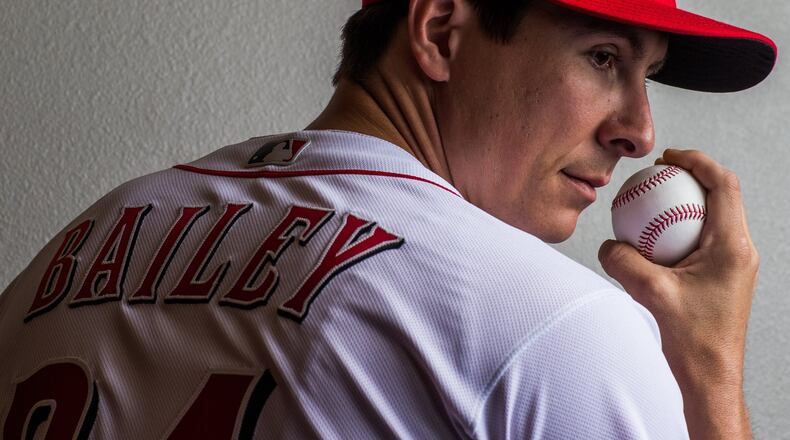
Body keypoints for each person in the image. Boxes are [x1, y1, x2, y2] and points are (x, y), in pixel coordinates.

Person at [0, 0, 776, 438]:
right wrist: (708, 370)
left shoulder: (76, 248)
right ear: (440, 31)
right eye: (605, 57)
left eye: (648, 76)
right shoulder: (555, 327)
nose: (639, 129)